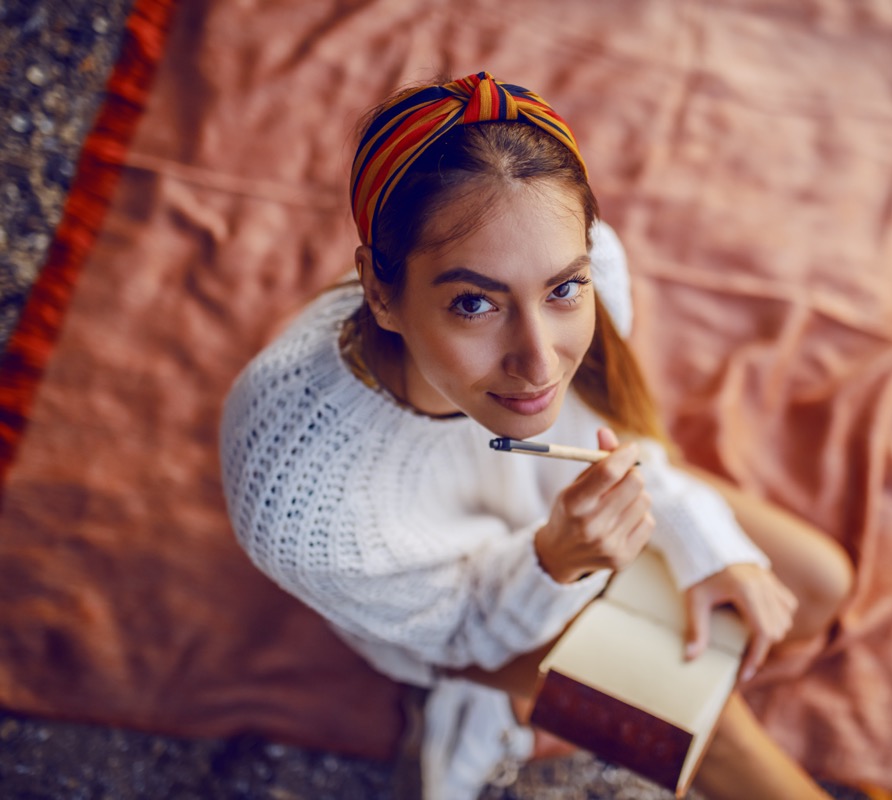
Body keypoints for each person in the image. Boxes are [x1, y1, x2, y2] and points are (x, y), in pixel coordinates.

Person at [220, 71, 853, 800]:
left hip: (568, 525)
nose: (539, 360)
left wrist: (696, 538)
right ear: (379, 291)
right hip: (470, 614)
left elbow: (619, 439)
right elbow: (456, 635)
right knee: (714, 728)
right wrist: (555, 562)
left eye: (561, 290)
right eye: (474, 302)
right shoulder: (295, 494)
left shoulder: (594, 267)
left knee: (817, 588)